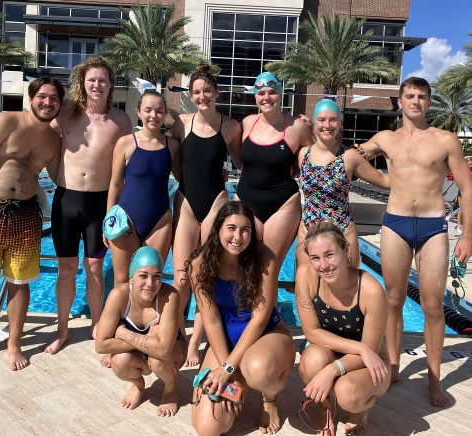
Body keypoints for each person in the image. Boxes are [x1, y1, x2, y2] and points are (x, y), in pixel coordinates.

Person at [356, 76, 472, 406]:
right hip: (395, 224)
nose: (415, 101)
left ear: (428, 101)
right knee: (393, 300)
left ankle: (434, 380)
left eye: (421, 96)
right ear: (400, 100)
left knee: (433, 306)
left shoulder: (446, 140)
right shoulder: (385, 138)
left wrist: (468, 235)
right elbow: (351, 156)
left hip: (433, 226)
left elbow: (466, 187)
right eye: (410, 95)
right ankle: (393, 367)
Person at [0, 77, 63, 369]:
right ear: (31, 97)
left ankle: (14, 344)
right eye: (43, 97)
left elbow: (62, 177)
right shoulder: (4, 122)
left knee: (19, 283)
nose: (47, 103)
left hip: (26, 215)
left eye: (54, 99)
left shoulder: (53, 139)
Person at [45, 56, 132, 355]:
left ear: (111, 84)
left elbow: (128, 166)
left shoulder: (120, 121)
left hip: (100, 203)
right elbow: (40, 133)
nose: (97, 84)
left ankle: (98, 327)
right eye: (92, 79)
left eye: (103, 80)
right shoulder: (67, 111)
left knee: (95, 268)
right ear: (83, 82)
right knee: (66, 268)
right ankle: (62, 330)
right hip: (67, 199)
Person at [187, 201, 295, 435]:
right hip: (224, 343)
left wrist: (227, 369)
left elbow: (259, 319)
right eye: (231, 228)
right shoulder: (199, 264)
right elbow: (211, 319)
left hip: (265, 335)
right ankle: (241, 381)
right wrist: (227, 370)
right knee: (208, 427)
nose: (238, 237)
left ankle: (270, 399)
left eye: (245, 230)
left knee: (259, 370)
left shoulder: (264, 258)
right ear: (218, 229)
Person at [171, 65, 242, 366]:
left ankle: (195, 344)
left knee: (206, 280)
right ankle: (176, 337)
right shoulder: (181, 123)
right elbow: (174, 164)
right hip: (186, 202)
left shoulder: (230, 127)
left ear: (217, 93)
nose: (203, 96)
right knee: (181, 279)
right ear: (191, 95)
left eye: (207, 91)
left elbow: (244, 162)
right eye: (196, 92)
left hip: (216, 203)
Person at [296, 222, 390, 435]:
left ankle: (361, 409)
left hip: (371, 362)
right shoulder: (306, 276)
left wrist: (332, 369)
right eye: (315, 258)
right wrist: (360, 348)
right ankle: (326, 410)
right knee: (311, 361)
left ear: (345, 249)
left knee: (347, 393)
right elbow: (311, 332)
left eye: (330, 255)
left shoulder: (371, 291)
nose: (323, 265)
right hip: (345, 351)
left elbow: (370, 350)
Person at [297, 98, 390, 268]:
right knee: (305, 287)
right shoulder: (303, 154)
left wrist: (391, 155)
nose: (327, 125)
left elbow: (384, 180)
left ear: (339, 123)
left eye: (333, 120)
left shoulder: (349, 156)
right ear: (314, 122)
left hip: (342, 230)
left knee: (347, 290)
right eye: (322, 119)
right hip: (308, 229)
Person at [95, 246, 186, 416]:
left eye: (157, 277)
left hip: (174, 353)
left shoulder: (170, 296)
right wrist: (151, 340)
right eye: (143, 276)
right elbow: (101, 345)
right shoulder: (118, 296)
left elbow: (164, 350)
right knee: (119, 362)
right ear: (131, 277)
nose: (150, 284)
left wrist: (123, 333)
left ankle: (171, 389)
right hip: (144, 352)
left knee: (158, 359)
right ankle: (138, 385)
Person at [235, 71, 313, 269]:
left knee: (268, 269)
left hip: (282, 205)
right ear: (255, 96)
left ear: (281, 94)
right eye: (261, 93)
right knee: (241, 267)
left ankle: (269, 302)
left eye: (272, 92)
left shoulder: (297, 127)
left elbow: (313, 160)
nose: (266, 97)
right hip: (246, 200)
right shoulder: (247, 123)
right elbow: (240, 162)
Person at [106, 91, 180, 283]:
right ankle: (121, 315)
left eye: (159, 111)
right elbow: (115, 184)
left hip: (160, 222)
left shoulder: (172, 146)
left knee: (152, 279)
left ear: (164, 114)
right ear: (138, 112)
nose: (153, 116)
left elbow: (183, 177)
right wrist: (108, 221)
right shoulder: (126, 143)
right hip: (125, 219)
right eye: (148, 110)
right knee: (123, 281)